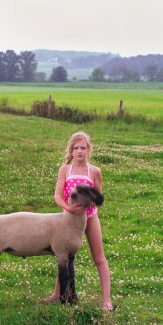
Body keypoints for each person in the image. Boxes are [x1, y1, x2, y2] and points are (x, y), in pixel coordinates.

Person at [42, 131, 114, 311]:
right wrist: (67, 208)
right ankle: (57, 294)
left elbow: (98, 196)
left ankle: (107, 300)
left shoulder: (95, 171)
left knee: (99, 258)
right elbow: (57, 196)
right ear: (71, 150)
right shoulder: (65, 170)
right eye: (76, 148)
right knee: (63, 255)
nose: (80, 151)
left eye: (83, 147)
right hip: (67, 218)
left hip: (89, 216)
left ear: (88, 150)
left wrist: (88, 202)